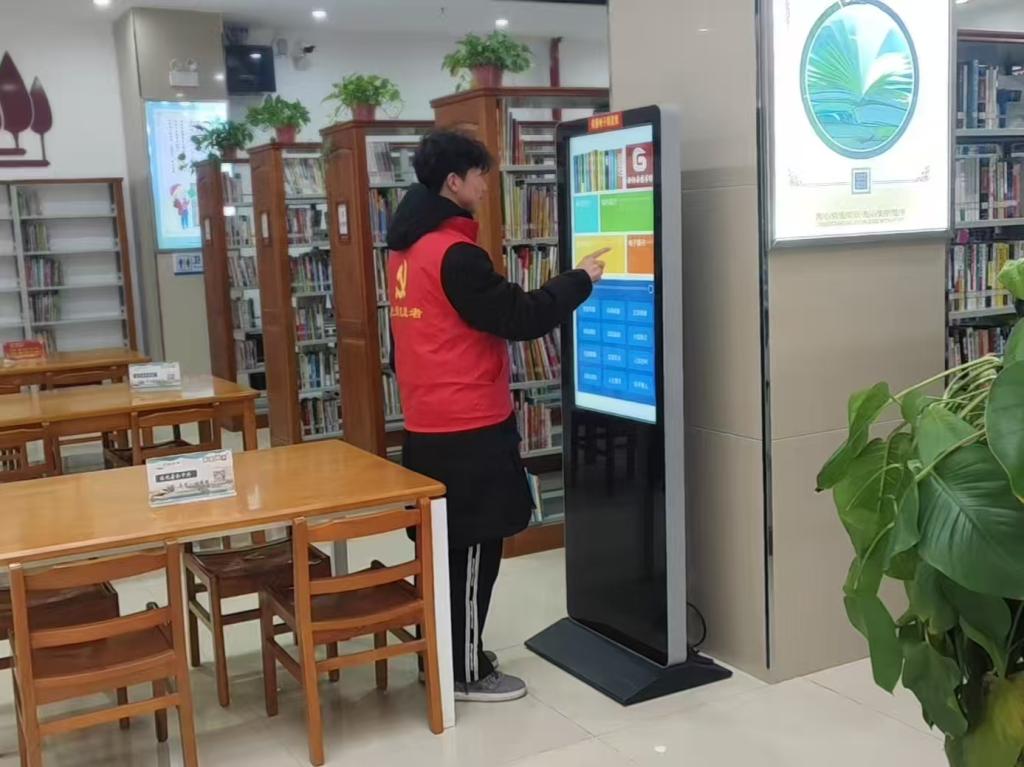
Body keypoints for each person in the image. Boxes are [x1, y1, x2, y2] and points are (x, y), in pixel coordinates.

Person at [386, 130, 605, 702]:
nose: (487, 185)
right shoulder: (455, 255)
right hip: (468, 426)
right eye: (481, 174)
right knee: (474, 549)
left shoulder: (406, 250)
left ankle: (445, 657)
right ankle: (464, 672)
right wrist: (579, 280)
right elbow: (520, 316)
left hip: (426, 423)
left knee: (446, 553)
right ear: (453, 181)